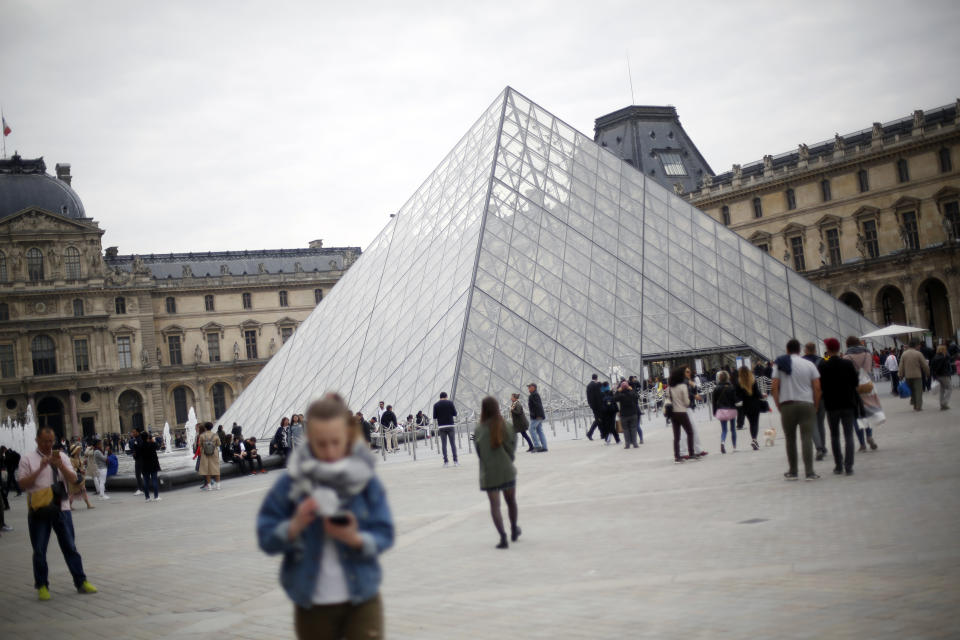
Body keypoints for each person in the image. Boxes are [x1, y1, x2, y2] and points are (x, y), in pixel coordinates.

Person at [257, 396, 394, 640]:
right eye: (321, 444)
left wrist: (356, 539)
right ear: (309, 439)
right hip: (312, 603)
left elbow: (385, 533)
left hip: (362, 597)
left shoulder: (366, 482)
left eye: (336, 442)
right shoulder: (290, 485)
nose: (330, 451)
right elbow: (266, 538)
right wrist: (295, 525)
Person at [16, 427, 98, 600]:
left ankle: (81, 581)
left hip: (62, 507)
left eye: (51, 441)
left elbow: (75, 479)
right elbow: (22, 484)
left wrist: (60, 465)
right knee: (39, 550)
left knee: (70, 547)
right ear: (37, 440)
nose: (48, 444)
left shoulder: (62, 457)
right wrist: (40, 468)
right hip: (39, 509)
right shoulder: (27, 459)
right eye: (45, 441)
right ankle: (42, 586)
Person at [771, 339, 822, 481]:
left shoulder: (780, 364)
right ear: (800, 350)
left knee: (790, 439)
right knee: (806, 437)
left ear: (787, 350)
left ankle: (793, 471)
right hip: (806, 404)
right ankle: (809, 472)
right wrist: (816, 405)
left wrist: (778, 404)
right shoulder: (809, 364)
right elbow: (817, 387)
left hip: (787, 404)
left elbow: (774, 387)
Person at [474, 397, 520, 549]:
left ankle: (503, 537)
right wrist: (508, 459)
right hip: (506, 470)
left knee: (495, 506)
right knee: (511, 501)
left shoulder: (478, 429)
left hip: (489, 473)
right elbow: (512, 445)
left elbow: (479, 451)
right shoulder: (505, 425)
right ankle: (514, 528)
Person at [818, 338, 859, 476]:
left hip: (831, 405)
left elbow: (820, 385)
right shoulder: (847, 364)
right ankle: (849, 466)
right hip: (847, 403)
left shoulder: (823, 365)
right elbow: (855, 382)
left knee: (834, 436)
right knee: (848, 435)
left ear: (828, 349)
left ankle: (838, 466)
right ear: (839, 348)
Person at [845, 336, 881, 451]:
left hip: (853, 388)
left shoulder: (846, 357)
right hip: (867, 385)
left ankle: (862, 444)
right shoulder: (868, 354)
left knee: (856, 416)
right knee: (868, 413)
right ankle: (869, 435)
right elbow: (869, 369)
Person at [802, 342, 829, 461]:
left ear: (806, 350)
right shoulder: (822, 361)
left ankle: (819, 448)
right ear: (814, 350)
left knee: (812, 423)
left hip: (807, 397)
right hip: (822, 395)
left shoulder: (801, 362)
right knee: (820, 423)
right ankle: (823, 447)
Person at [667, 367, 697, 463]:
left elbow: (668, 400)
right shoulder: (683, 387)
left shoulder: (669, 388)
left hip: (673, 413)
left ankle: (677, 456)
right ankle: (691, 453)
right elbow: (687, 402)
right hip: (682, 412)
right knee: (690, 432)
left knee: (676, 436)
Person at [735, 367, 764, 450]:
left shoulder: (739, 383)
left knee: (751, 423)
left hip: (745, 406)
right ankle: (754, 439)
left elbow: (737, 395)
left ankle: (754, 439)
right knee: (755, 422)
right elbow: (757, 393)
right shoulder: (753, 381)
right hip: (755, 404)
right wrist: (762, 396)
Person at [712, 371, 739, 454]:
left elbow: (714, 401)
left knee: (724, 430)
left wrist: (714, 412)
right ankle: (734, 447)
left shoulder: (716, 388)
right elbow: (735, 399)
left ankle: (722, 442)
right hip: (731, 409)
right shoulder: (731, 387)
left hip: (721, 410)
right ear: (728, 377)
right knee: (733, 429)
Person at [899, 341, 930, 411]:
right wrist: (928, 373)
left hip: (908, 376)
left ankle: (914, 404)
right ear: (915, 346)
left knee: (912, 390)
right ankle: (918, 406)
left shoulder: (904, 354)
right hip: (917, 375)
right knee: (918, 391)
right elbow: (924, 365)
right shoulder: (918, 354)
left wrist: (900, 375)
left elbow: (901, 366)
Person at [432, 392, 459, 467]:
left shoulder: (436, 405)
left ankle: (446, 462)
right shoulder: (450, 403)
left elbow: (434, 417)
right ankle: (455, 461)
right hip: (450, 425)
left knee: (444, 444)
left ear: (440, 397)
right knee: (453, 444)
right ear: (446, 396)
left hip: (441, 427)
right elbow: (455, 413)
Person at [66, 444, 94, 510]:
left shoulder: (78, 458)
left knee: (83, 490)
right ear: (75, 451)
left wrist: (83, 465)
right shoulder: (71, 459)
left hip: (79, 478)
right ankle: (69, 505)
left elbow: (80, 466)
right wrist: (80, 470)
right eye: (78, 450)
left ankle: (88, 504)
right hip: (74, 478)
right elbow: (72, 468)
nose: (79, 451)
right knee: (72, 493)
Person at [614, 381, 641, 449]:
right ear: (628, 386)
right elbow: (637, 396)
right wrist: (631, 389)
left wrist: (618, 391)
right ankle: (635, 443)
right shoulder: (631, 393)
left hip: (624, 415)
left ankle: (627, 444)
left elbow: (614, 398)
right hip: (633, 414)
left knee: (625, 430)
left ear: (621, 388)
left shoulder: (620, 395)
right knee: (633, 429)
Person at [197, 422, 222, 490]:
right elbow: (219, 444)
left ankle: (209, 486)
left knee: (207, 470)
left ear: (205, 428)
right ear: (212, 427)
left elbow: (199, 444)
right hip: (214, 453)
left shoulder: (202, 435)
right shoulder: (215, 435)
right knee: (216, 469)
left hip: (205, 453)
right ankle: (218, 486)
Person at [140, 432, 162, 501]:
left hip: (144, 466)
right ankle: (156, 496)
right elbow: (158, 447)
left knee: (146, 482)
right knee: (154, 480)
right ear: (147, 437)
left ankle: (147, 497)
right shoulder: (152, 444)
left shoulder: (140, 445)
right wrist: (153, 441)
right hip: (153, 465)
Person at [930, 345, 954, 410]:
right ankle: (944, 403)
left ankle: (942, 405)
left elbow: (931, 367)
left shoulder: (934, 357)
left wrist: (934, 375)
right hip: (944, 375)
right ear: (944, 350)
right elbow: (946, 365)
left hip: (937, 376)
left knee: (942, 390)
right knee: (950, 388)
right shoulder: (944, 357)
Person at [527, 383, 548, 453]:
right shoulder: (534, 394)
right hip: (538, 415)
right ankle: (544, 447)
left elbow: (538, 406)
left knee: (531, 429)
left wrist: (538, 416)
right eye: (528, 387)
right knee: (539, 430)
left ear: (534, 387)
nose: (528, 388)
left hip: (536, 416)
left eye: (530, 387)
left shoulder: (534, 395)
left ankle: (537, 446)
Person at [129, 428, 147, 497]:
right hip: (141, 459)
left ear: (138, 432)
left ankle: (140, 489)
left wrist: (135, 453)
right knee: (143, 474)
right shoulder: (138, 439)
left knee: (138, 475)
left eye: (134, 432)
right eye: (132, 432)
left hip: (139, 459)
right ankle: (144, 488)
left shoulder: (138, 439)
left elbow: (140, 448)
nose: (133, 433)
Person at [585, 374, 603, 441]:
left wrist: (591, 405)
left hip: (593, 406)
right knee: (598, 420)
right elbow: (598, 396)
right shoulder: (596, 385)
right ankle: (590, 433)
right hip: (598, 406)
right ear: (596, 378)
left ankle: (602, 434)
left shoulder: (589, 385)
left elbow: (589, 397)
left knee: (599, 420)